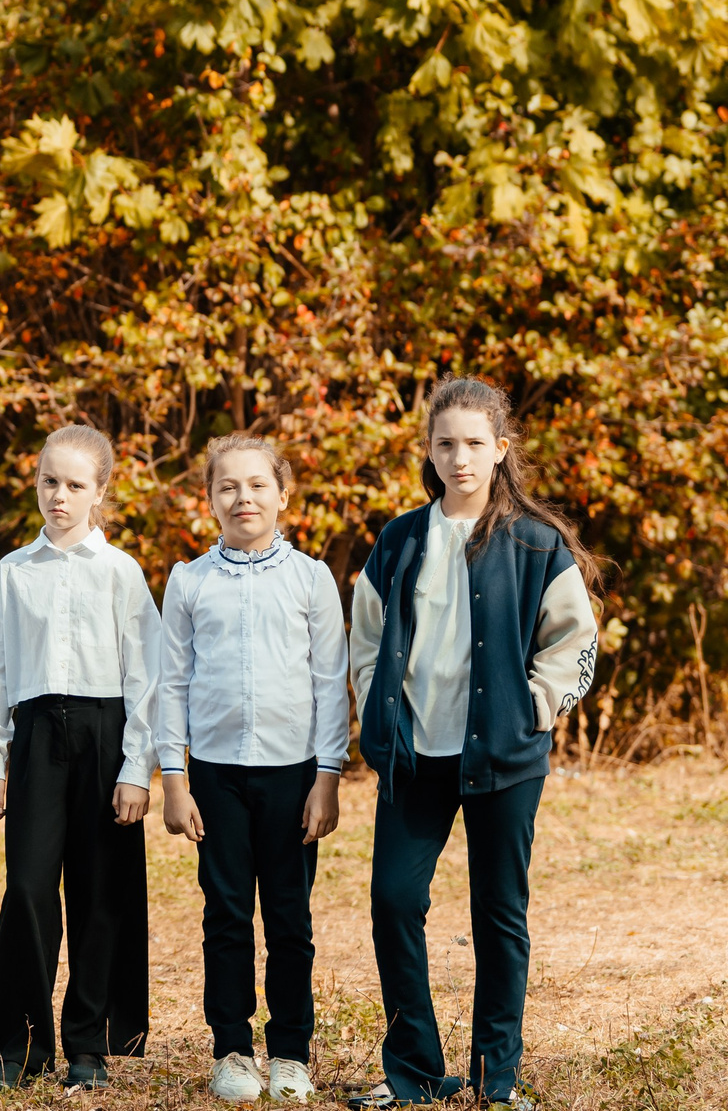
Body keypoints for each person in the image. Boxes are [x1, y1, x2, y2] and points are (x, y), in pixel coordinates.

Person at [346, 379, 600, 1109]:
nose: (460, 457)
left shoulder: (533, 541)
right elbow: (365, 637)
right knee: (394, 900)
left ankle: (497, 1078)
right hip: (414, 755)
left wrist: (538, 704)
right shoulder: (399, 539)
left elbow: (574, 641)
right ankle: (415, 1072)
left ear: (500, 450)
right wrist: (375, 705)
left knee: (499, 909)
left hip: (504, 756)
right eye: (446, 442)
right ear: (429, 449)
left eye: (475, 443)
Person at [155, 435, 349, 1106]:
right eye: (228, 486)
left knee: (291, 918)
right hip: (215, 777)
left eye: (257, 484)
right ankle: (233, 1047)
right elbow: (171, 681)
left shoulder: (311, 578)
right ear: (209, 499)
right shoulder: (189, 580)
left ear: (282, 494)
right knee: (228, 913)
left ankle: (291, 1050)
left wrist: (328, 776)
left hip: (294, 777)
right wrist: (173, 779)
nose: (244, 497)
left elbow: (331, 681)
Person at [0, 424, 160, 1092]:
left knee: (98, 890)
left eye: (75, 484)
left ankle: (90, 1040)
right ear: (37, 481)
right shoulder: (13, 572)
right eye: (50, 480)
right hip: (36, 738)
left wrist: (138, 766)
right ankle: (19, 1046)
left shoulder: (120, 572)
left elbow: (147, 676)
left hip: (105, 733)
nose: (60, 495)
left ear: (99, 491)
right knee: (26, 886)